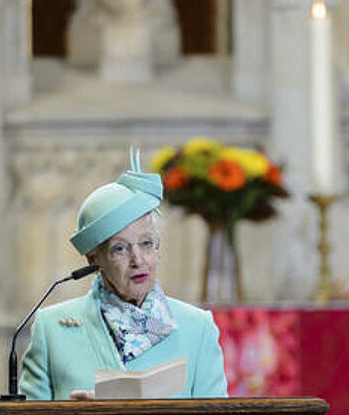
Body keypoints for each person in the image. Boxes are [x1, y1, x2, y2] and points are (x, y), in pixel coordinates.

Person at [19, 149, 228, 400]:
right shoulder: (51, 328)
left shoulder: (198, 327)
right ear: (94, 260)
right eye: (120, 249)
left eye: (147, 244)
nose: (138, 260)